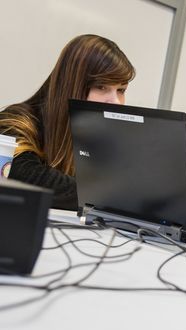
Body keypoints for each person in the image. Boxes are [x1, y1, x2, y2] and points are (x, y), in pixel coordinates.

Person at [0, 34, 135, 210]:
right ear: (73, 85)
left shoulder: (97, 134)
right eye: (101, 87)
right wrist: (109, 195)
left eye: (121, 90)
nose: (116, 102)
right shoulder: (15, 123)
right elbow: (26, 178)